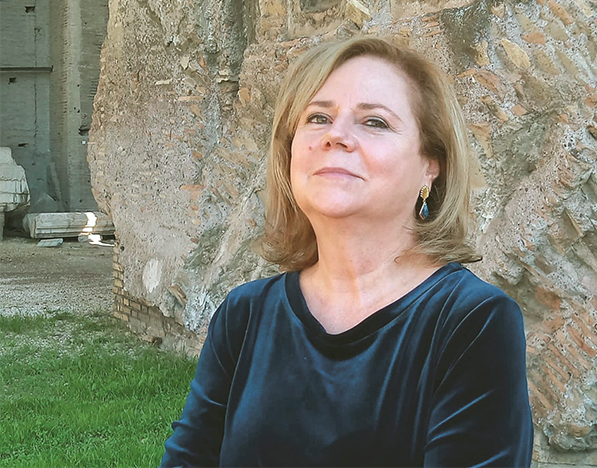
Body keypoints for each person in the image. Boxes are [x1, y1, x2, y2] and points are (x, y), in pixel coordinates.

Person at [161, 36, 533, 467]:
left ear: (431, 165)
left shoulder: (473, 322)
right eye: (318, 117)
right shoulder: (244, 315)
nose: (335, 136)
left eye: (374, 122)